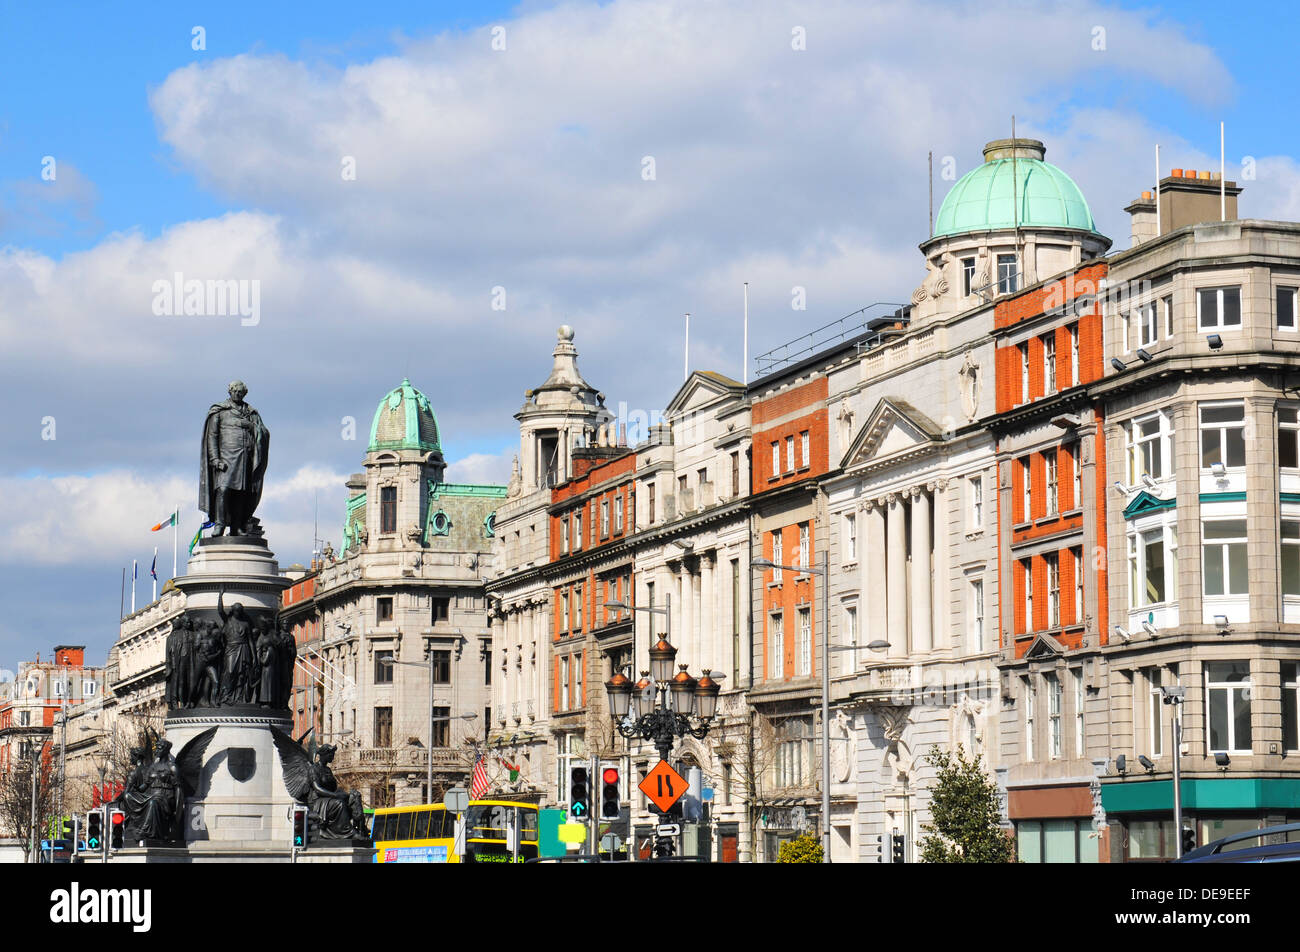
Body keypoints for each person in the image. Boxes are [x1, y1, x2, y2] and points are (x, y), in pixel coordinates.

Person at [199, 380, 269, 537]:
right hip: (226, 459)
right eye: (235, 391)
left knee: (241, 493)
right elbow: (212, 436)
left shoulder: (251, 413)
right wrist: (215, 459)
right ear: (229, 392)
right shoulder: (220, 411)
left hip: (245, 458)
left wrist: (252, 427)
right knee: (223, 490)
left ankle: (236, 527)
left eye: (240, 392)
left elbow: (263, 432)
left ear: (244, 393)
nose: (237, 394)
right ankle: (220, 524)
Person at [217, 590, 256, 705]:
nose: (238, 613)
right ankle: (225, 696)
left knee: (242, 674)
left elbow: (250, 641)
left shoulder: (245, 624)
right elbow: (220, 610)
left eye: (240, 611)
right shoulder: (228, 621)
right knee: (230, 671)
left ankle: (239, 697)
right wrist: (220, 595)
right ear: (233, 611)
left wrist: (255, 657)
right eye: (236, 611)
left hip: (244, 649)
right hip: (231, 648)